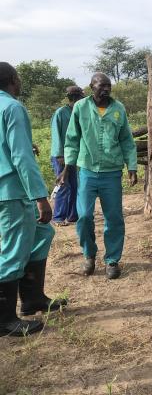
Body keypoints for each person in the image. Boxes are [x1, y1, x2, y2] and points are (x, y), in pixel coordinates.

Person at [0, 62, 64, 336]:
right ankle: (4, 320)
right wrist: (40, 197)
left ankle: (32, 298)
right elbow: (22, 158)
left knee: (42, 233)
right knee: (13, 250)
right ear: (13, 79)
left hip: (8, 189)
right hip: (12, 191)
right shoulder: (12, 107)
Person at [59, 73, 137, 280]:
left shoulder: (118, 109)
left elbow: (126, 140)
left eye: (109, 85)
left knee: (114, 218)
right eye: (102, 85)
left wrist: (132, 167)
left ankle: (112, 260)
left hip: (111, 172)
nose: (106, 89)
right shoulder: (80, 108)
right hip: (87, 171)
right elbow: (72, 139)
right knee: (84, 216)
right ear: (91, 87)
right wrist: (67, 167)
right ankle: (89, 254)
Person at [50, 85, 84, 226]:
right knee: (63, 185)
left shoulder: (79, 111)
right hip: (61, 157)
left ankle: (72, 216)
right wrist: (59, 155)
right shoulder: (60, 113)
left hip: (73, 155)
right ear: (75, 98)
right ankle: (58, 217)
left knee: (74, 185)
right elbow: (56, 134)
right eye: (81, 97)